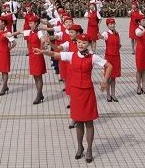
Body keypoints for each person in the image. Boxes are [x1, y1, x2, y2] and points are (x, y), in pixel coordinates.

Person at [33, 33, 112, 164]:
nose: (81, 44)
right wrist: (42, 51)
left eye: (84, 42)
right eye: (79, 42)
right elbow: (55, 55)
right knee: (79, 122)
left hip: (87, 92)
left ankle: (90, 149)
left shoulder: (93, 57)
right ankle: (80, 146)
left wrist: (105, 80)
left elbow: (109, 66)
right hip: (75, 92)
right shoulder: (71, 55)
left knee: (89, 122)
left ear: (88, 44)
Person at [21, 15, 48, 104]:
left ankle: (38, 95)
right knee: (35, 76)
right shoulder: (30, 32)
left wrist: (41, 49)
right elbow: (20, 32)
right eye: (29, 22)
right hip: (32, 56)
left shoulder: (39, 32)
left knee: (39, 76)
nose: (30, 24)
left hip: (37, 56)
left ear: (36, 23)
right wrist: (11, 34)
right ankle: (40, 94)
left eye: (31, 23)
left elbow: (43, 40)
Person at [99, 18, 121, 101]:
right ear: (107, 25)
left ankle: (113, 94)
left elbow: (119, 44)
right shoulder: (106, 33)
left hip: (116, 56)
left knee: (114, 77)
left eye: (113, 24)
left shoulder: (117, 34)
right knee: (108, 77)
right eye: (110, 24)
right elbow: (101, 37)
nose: (112, 25)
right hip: (109, 57)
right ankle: (108, 95)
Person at [134, 13, 145, 94]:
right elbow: (139, 34)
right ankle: (138, 87)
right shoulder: (138, 29)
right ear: (139, 22)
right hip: (140, 51)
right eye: (143, 20)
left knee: (144, 69)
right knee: (139, 69)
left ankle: (144, 87)